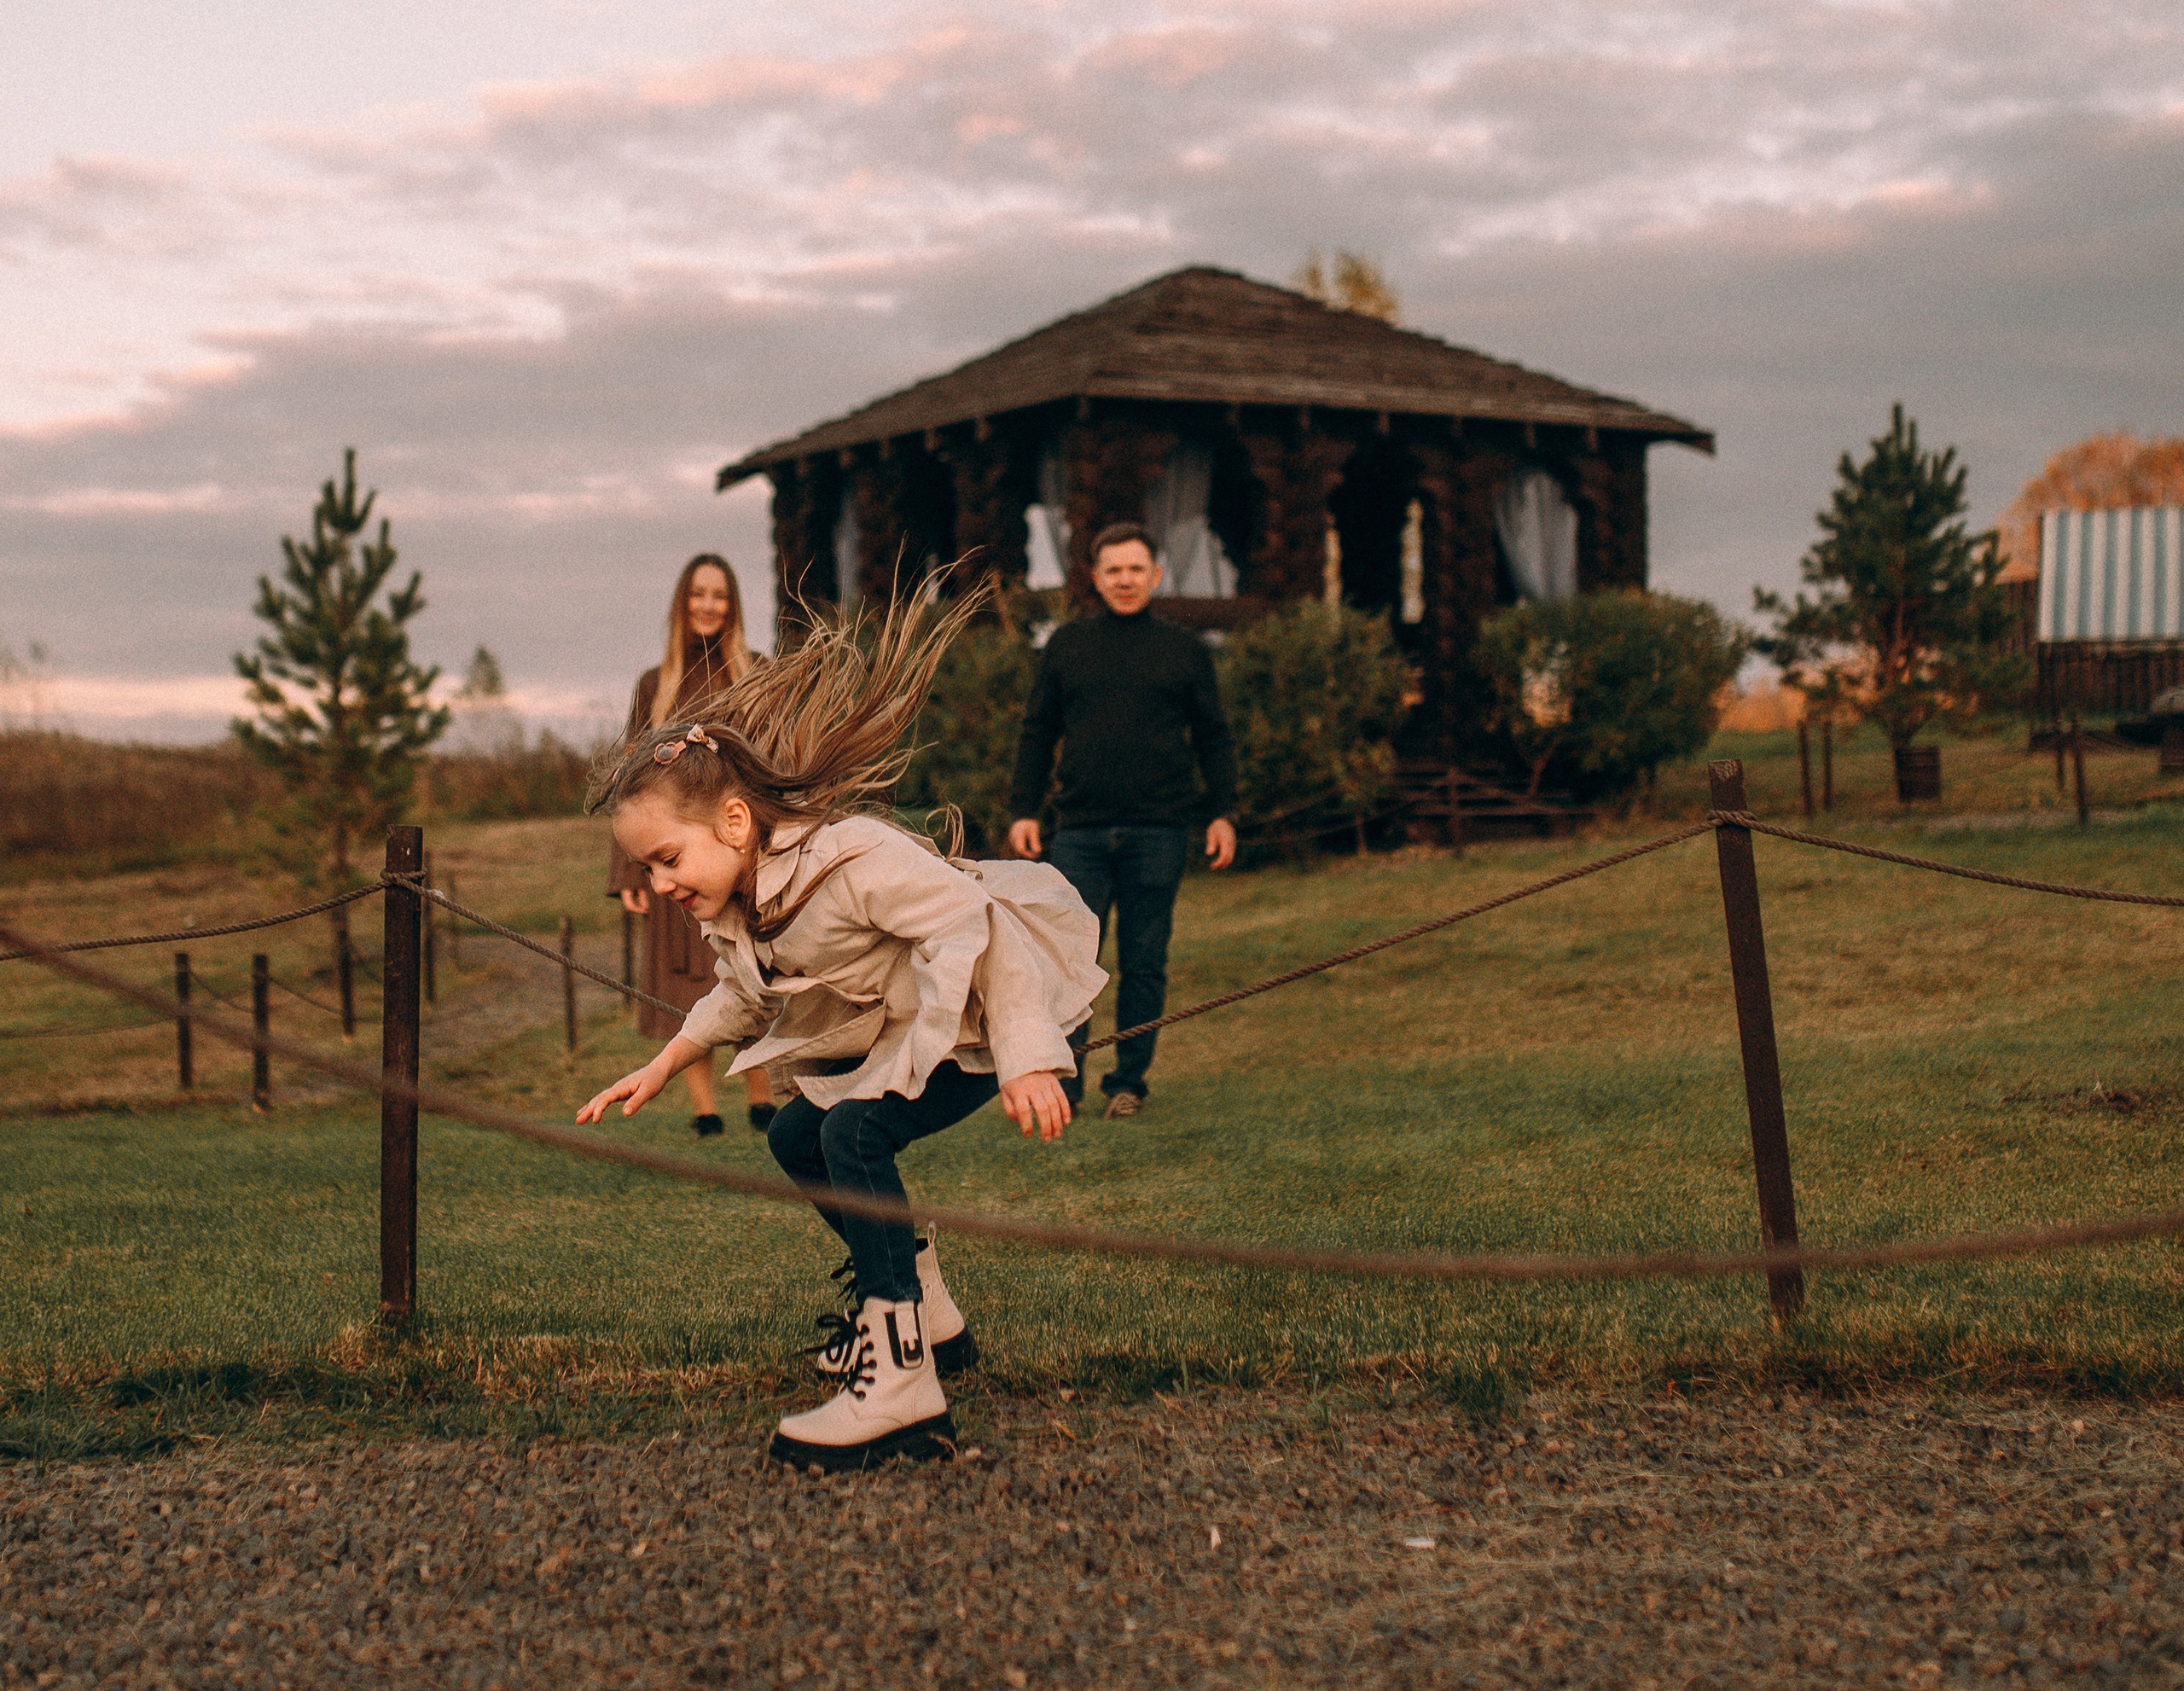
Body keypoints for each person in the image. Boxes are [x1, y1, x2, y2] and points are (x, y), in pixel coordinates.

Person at [577, 595, 1105, 1472]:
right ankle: (927, 1315)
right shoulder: (742, 903)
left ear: (735, 823)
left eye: (667, 857)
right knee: (796, 1133)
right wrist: (668, 1060)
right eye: (647, 867)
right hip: (927, 1027)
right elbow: (740, 998)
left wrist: (1028, 1058)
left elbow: (983, 928)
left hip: (1009, 1013)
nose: (661, 882)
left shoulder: (852, 857)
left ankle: (901, 1382)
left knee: (853, 1131)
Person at [1007, 521, 1237, 1119]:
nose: (1125, 580)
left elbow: (1213, 737)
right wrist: (1024, 810)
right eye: (1114, 570)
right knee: (1071, 965)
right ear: (1095, 578)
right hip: (1079, 832)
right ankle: (1066, 1084)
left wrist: (1222, 813)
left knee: (1144, 961)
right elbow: (1038, 731)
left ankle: (1128, 1083)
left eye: (1136, 569)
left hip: (1160, 830)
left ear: (1156, 576)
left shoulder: (1184, 650)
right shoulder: (1067, 646)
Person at [608, 554, 779, 1137]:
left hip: (739, 855)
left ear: (733, 606)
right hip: (673, 862)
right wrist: (629, 874)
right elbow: (628, 787)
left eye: (720, 595)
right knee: (686, 986)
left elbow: (777, 763)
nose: (709, 605)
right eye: (699, 594)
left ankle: (762, 1099)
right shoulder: (653, 685)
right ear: (683, 602)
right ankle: (706, 1111)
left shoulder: (757, 673)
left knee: (750, 972)